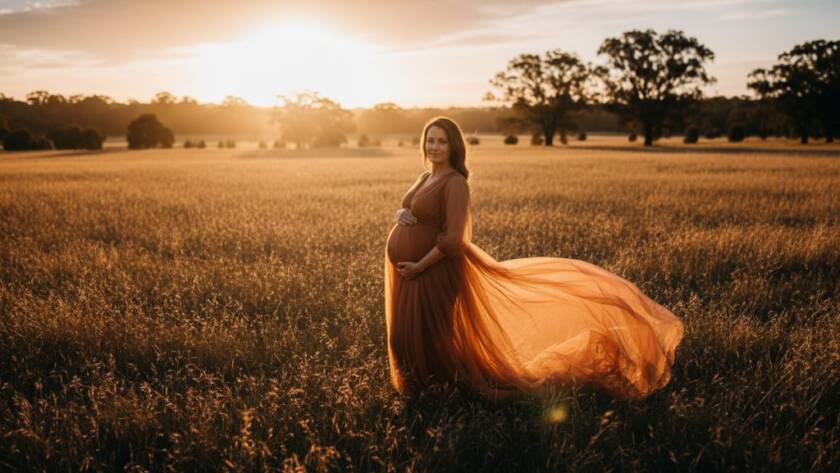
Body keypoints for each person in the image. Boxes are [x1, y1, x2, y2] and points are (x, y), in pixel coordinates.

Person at [385, 116, 684, 401]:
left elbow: (453, 241)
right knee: (405, 335)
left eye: (442, 142)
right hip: (409, 271)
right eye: (430, 140)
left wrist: (419, 266)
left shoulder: (455, 183)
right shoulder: (426, 176)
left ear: (454, 147)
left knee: (431, 336)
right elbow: (412, 209)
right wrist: (401, 214)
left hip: (433, 270)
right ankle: (423, 389)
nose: (434, 147)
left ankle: (444, 391)